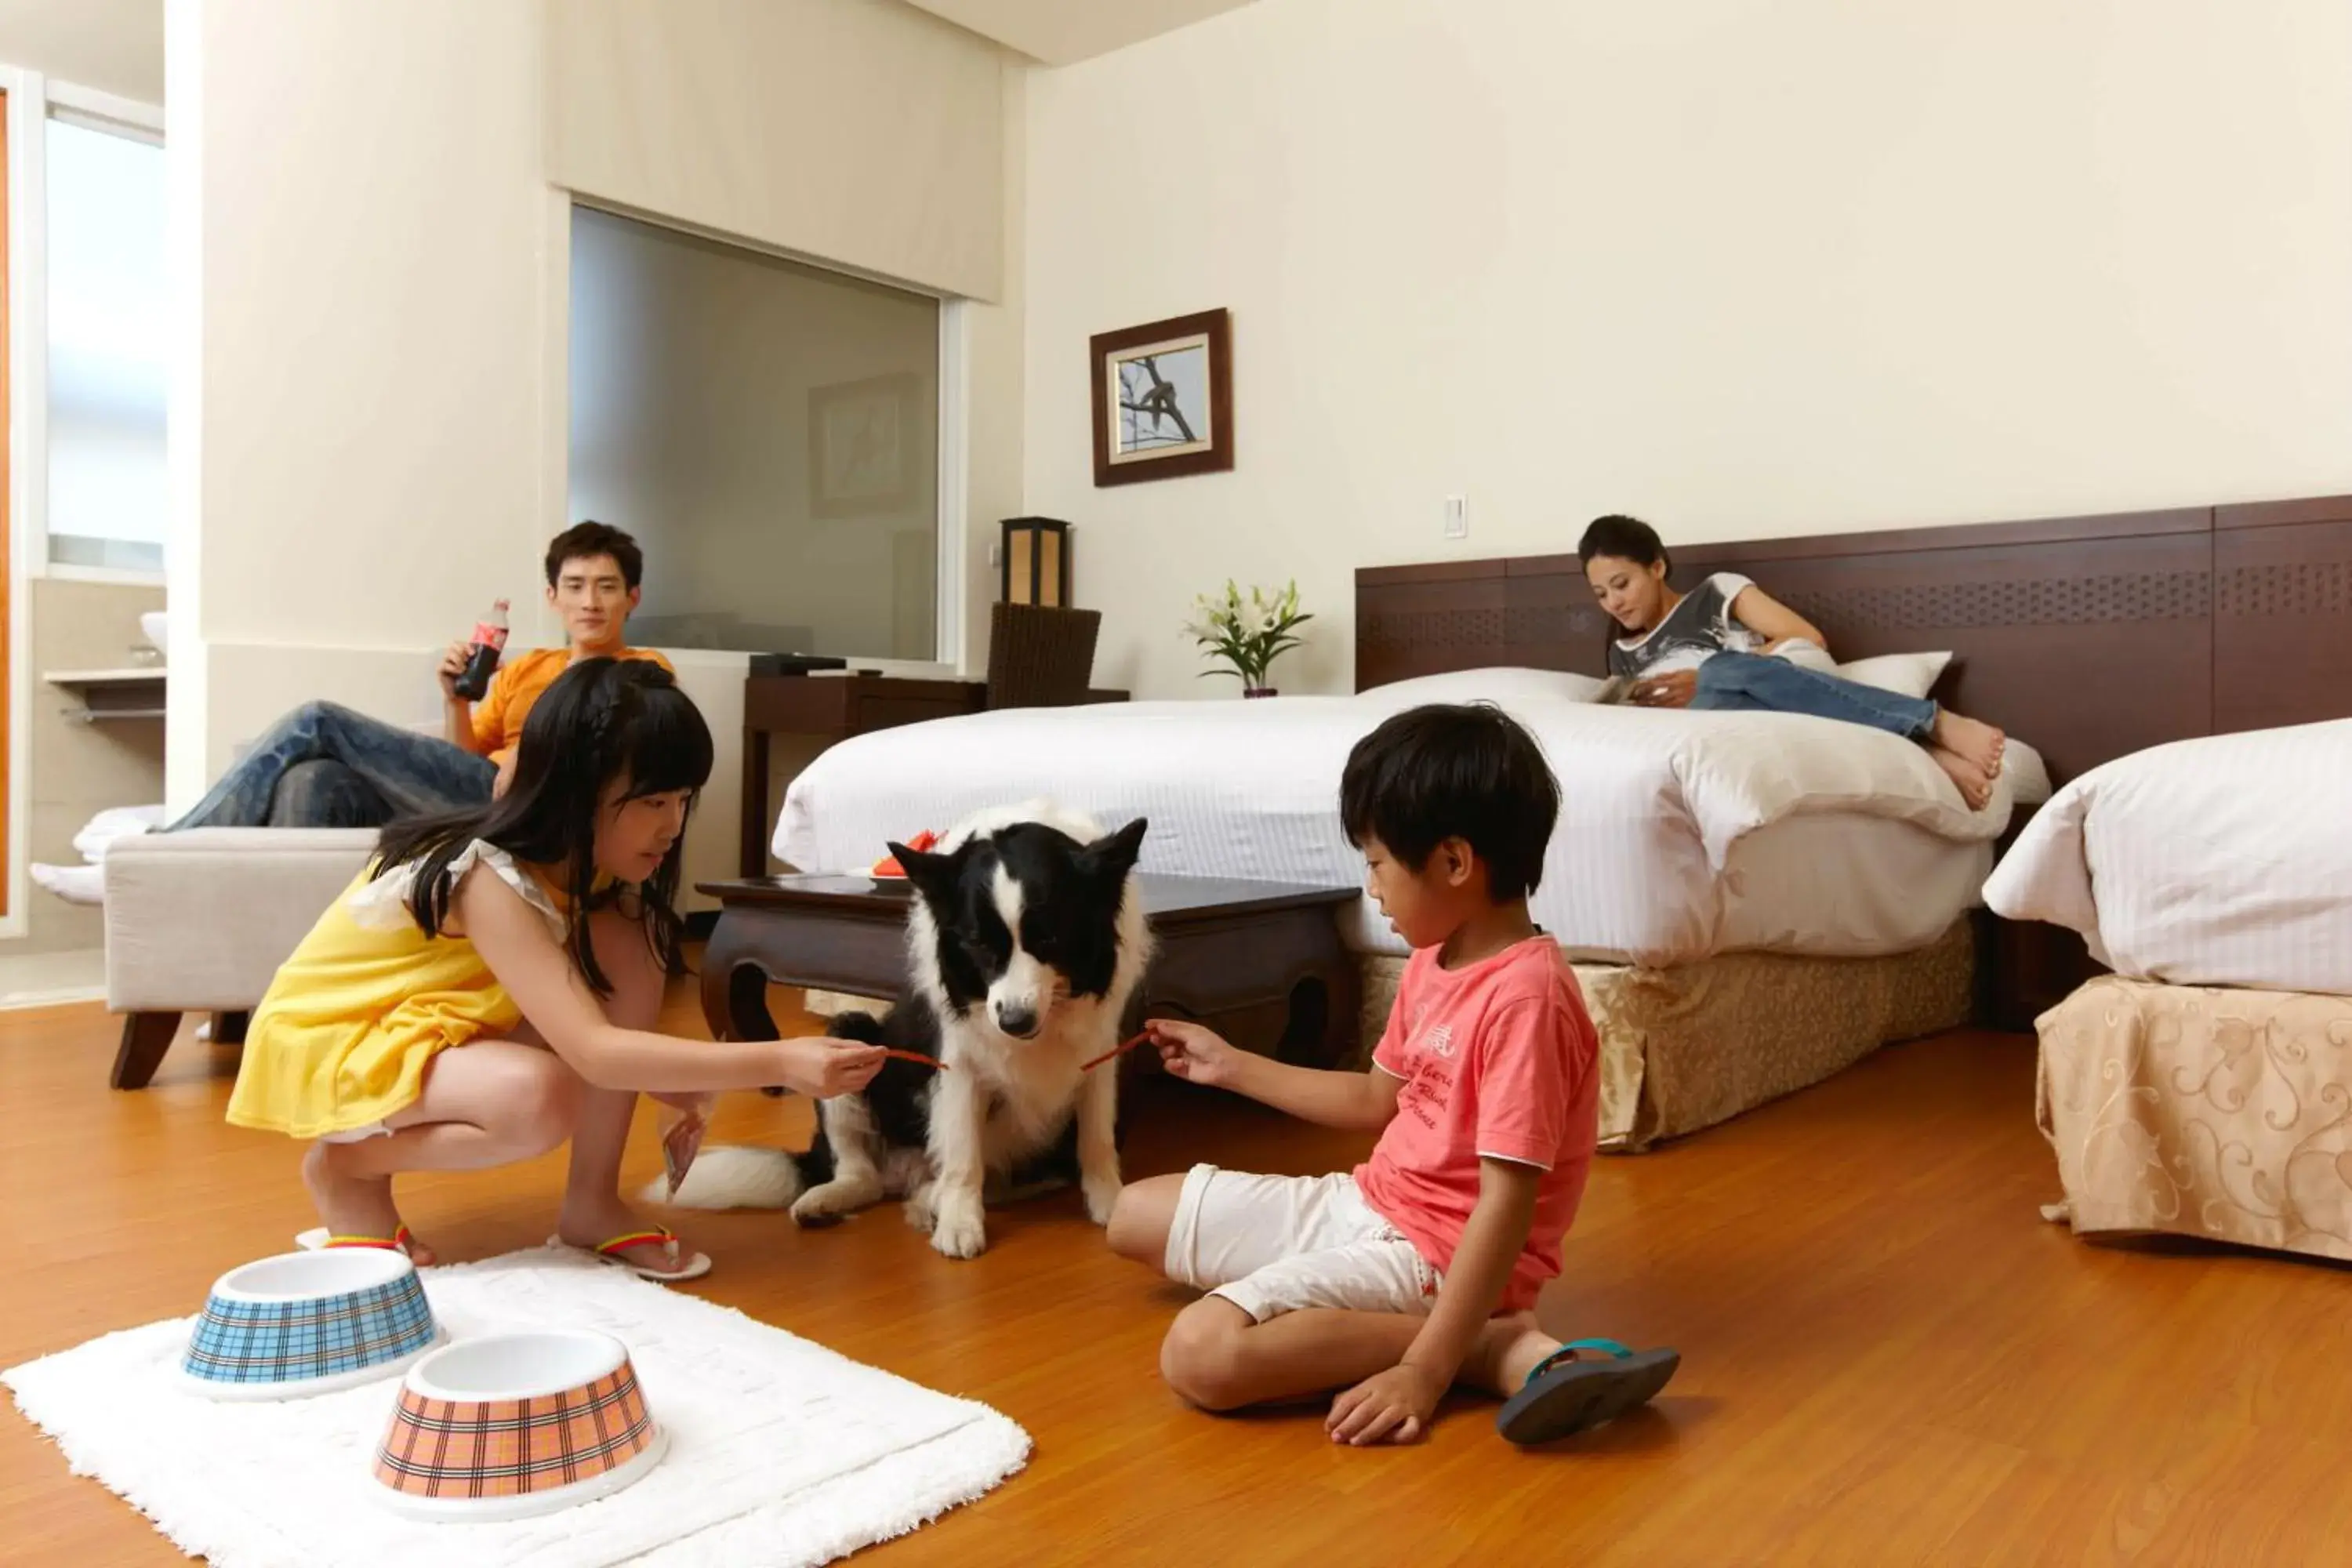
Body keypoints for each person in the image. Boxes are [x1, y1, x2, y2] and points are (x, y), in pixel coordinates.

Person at [1105, 704, 1679, 1446]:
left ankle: (1485, 1347)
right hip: (1371, 1203)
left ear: (1453, 862)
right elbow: (1379, 1098)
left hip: (1436, 1255)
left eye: (1376, 862)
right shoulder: (1434, 960)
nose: (1371, 886)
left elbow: (1505, 1205)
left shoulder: (1528, 1000)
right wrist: (1233, 1066)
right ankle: (1446, 1330)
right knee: (1132, 1217)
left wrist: (1427, 1372)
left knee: (1200, 1353)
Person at [223, 657, 888, 1280]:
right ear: (578, 791)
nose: (673, 825)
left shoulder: (586, 864)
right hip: (334, 1041)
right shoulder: (482, 874)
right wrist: (778, 1060)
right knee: (536, 1098)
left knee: (635, 930)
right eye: (653, 803)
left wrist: (666, 1072)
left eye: (682, 801)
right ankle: (348, 1168)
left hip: (436, 1025)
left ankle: (591, 1204)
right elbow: (595, 1053)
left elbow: (599, 1023)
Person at [165, 521, 670, 832]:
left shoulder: (644, 670)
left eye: (606, 587)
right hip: (480, 788)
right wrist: (455, 702)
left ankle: (181, 847)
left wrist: (532, 749)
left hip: (533, 798)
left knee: (318, 720)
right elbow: (465, 760)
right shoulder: (527, 668)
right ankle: (290, 983)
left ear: (633, 598)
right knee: (312, 781)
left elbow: (619, 750)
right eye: (576, 586)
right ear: (552, 597)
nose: (590, 602)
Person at [1578, 514, 2009, 808]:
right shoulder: (1621, 655)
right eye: (1601, 595)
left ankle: (1936, 722)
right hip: (1729, 719)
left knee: (1719, 672)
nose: (1614, 602)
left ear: (1656, 567)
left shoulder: (1716, 592)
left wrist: (1704, 677)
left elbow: (1805, 637)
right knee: (1709, 705)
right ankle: (1925, 750)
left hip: (1788, 675)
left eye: (1622, 584)